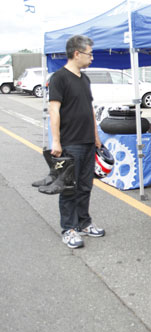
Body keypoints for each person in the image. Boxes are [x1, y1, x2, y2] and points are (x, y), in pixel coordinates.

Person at [48, 35, 104, 249]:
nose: (92, 58)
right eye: (89, 54)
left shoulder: (84, 79)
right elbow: (54, 110)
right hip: (70, 143)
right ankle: (68, 228)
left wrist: (96, 136)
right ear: (77, 53)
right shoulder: (59, 78)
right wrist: (56, 141)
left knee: (85, 186)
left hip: (88, 141)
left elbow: (89, 109)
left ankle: (83, 223)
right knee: (69, 188)